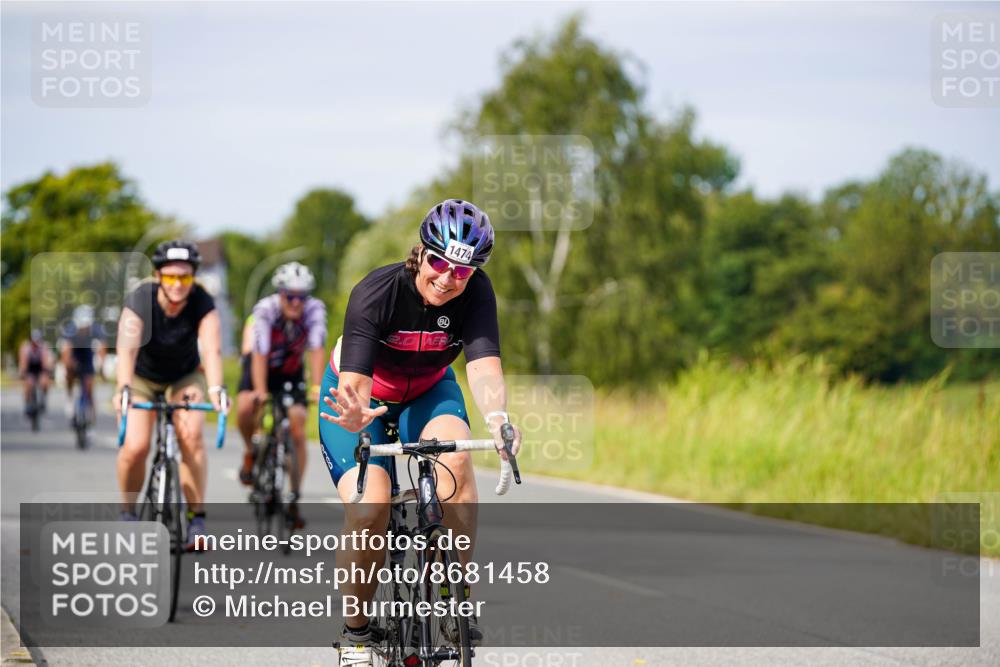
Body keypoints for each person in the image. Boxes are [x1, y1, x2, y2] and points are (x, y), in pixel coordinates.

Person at [319, 199, 522, 665]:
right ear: (421, 252)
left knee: (456, 463)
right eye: (439, 262)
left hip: (429, 392)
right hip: (358, 401)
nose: (448, 278)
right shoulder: (377, 291)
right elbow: (355, 382)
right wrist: (354, 415)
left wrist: (498, 418)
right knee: (370, 507)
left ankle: (454, 595)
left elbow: (485, 367)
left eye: (462, 271)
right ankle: (356, 634)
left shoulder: (476, 294)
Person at [114, 240, 229, 550]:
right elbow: (126, 350)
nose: (178, 285)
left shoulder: (202, 301)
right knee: (135, 446)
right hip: (142, 377)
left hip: (184, 376)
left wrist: (217, 389)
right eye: (170, 277)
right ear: (158, 276)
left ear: (194, 278)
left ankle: (196, 520)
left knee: (191, 436)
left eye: (185, 278)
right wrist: (123, 388)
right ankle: (128, 514)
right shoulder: (141, 298)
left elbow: (212, 348)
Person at [236, 261, 327, 528]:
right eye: (290, 296)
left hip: (290, 371)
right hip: (260, 366)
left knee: (298, 426)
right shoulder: (266, 310)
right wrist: (261, 392)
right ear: (280, 294)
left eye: (302, 296)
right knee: (245, 408)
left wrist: (318, 387)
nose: (296, 302)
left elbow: (317, 347)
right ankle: (250, 450)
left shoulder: (314, 310)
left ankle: (293, 498)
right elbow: (260, 350)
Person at [60, 304, 107, 425]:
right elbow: (66, 350)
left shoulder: (96, 328)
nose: (84, 328)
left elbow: (102, 346)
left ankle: (91, 414)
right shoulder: (70, 329)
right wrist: (68, 365)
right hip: (74, 355)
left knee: (89, 386)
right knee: (69, 372)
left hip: (87, 356)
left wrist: (101, 364)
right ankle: (69, 397)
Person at [18, 329, 53, 417]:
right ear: (31, 340)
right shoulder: (25, 347)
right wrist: (23, 373)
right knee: (28, 383)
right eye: (34, 341)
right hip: (29, 368)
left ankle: (43, 399)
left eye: (38, 340)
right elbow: (23, 362)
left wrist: (47, 372)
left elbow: (45, 361)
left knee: (44, 382)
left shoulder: (43, 346)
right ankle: (27, 403)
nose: (36, 343)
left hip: (40, 368)